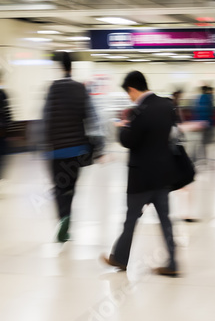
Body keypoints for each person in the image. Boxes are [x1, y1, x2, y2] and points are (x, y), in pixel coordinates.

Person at [103, 71, 180, 277]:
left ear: (133, 89)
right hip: (163, 175)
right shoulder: (166, 105)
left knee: (131, 219)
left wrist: (121, 128)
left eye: (129, 93)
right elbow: (173, 134)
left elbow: (128, 141)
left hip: (141, 178)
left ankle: (119, 258)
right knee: (165, 220)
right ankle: (173, 263)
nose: (130, 97)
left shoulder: (138, 111)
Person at [43, 51, 103, 243]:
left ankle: (63, 218)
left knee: (59, 188)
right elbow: (92, 118)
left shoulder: (52, 89)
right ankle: (68, 218)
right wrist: (99, 146)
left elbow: (45, 119)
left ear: (59, 68)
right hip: (77, 150)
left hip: (55, 150)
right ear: (72, 68)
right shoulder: (80, 89)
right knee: (71, 187)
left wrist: (42, 147)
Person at [193, 84, 215, 163]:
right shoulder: (209, 98)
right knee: (205, 140)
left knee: (200, 139)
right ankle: (204, 156)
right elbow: (211, 110)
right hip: (206, 121)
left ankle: (200, 155)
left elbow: (196, 109)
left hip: (199, 121)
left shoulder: (198, 98)